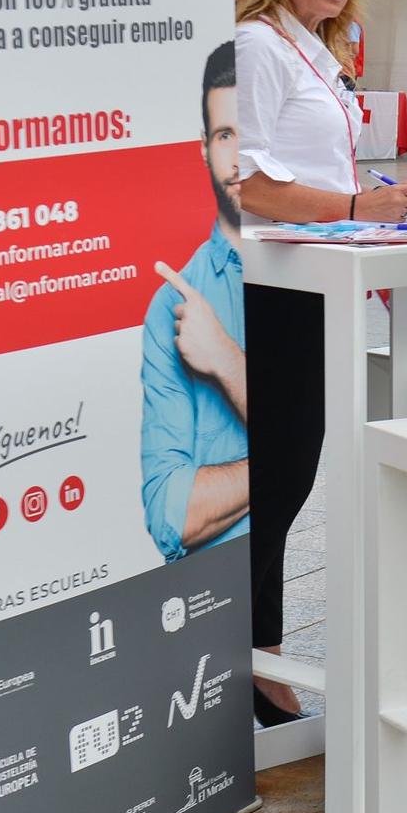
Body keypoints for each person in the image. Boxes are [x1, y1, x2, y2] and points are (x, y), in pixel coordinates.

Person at [234, 0, 407, 726]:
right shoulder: (255, 45)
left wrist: (378, 203)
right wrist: (357, 200)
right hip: (268, 288)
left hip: (314, 281)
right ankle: (253, 660)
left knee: (287, 473)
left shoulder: (309, 47)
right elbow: (243, 180)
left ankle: (259, 655)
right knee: (274, 477)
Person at [140, 42, 248, 564]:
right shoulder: (174, 305)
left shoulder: (307, 266)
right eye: (226, 135)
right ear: (204, 147)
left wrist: (225, 359)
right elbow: (172, 516)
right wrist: (286, 463)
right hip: (211, 587)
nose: (238, 157)